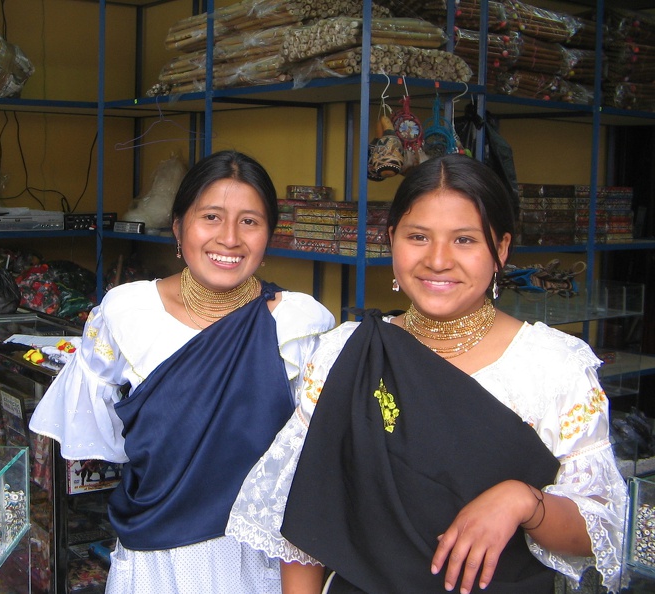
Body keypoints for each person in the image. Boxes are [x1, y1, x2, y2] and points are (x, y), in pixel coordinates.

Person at [227, 154, 628, 594]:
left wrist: (522, 501)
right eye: (418, 237)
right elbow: (305, 518)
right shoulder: (347, 353)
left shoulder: (551, 367)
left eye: (465, 240)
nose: (438, 260)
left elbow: (599, 531)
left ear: (502, 249)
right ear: (392, 239)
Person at [29, 150, 335, 594]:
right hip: (154, 557)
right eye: (211, 216)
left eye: (250, 221)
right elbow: (101, 427)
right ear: (178, 227)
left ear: (269, 235)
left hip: (258, 560)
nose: (229, 238)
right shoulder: (127, 313)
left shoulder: (299, 326)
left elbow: (312, 463)